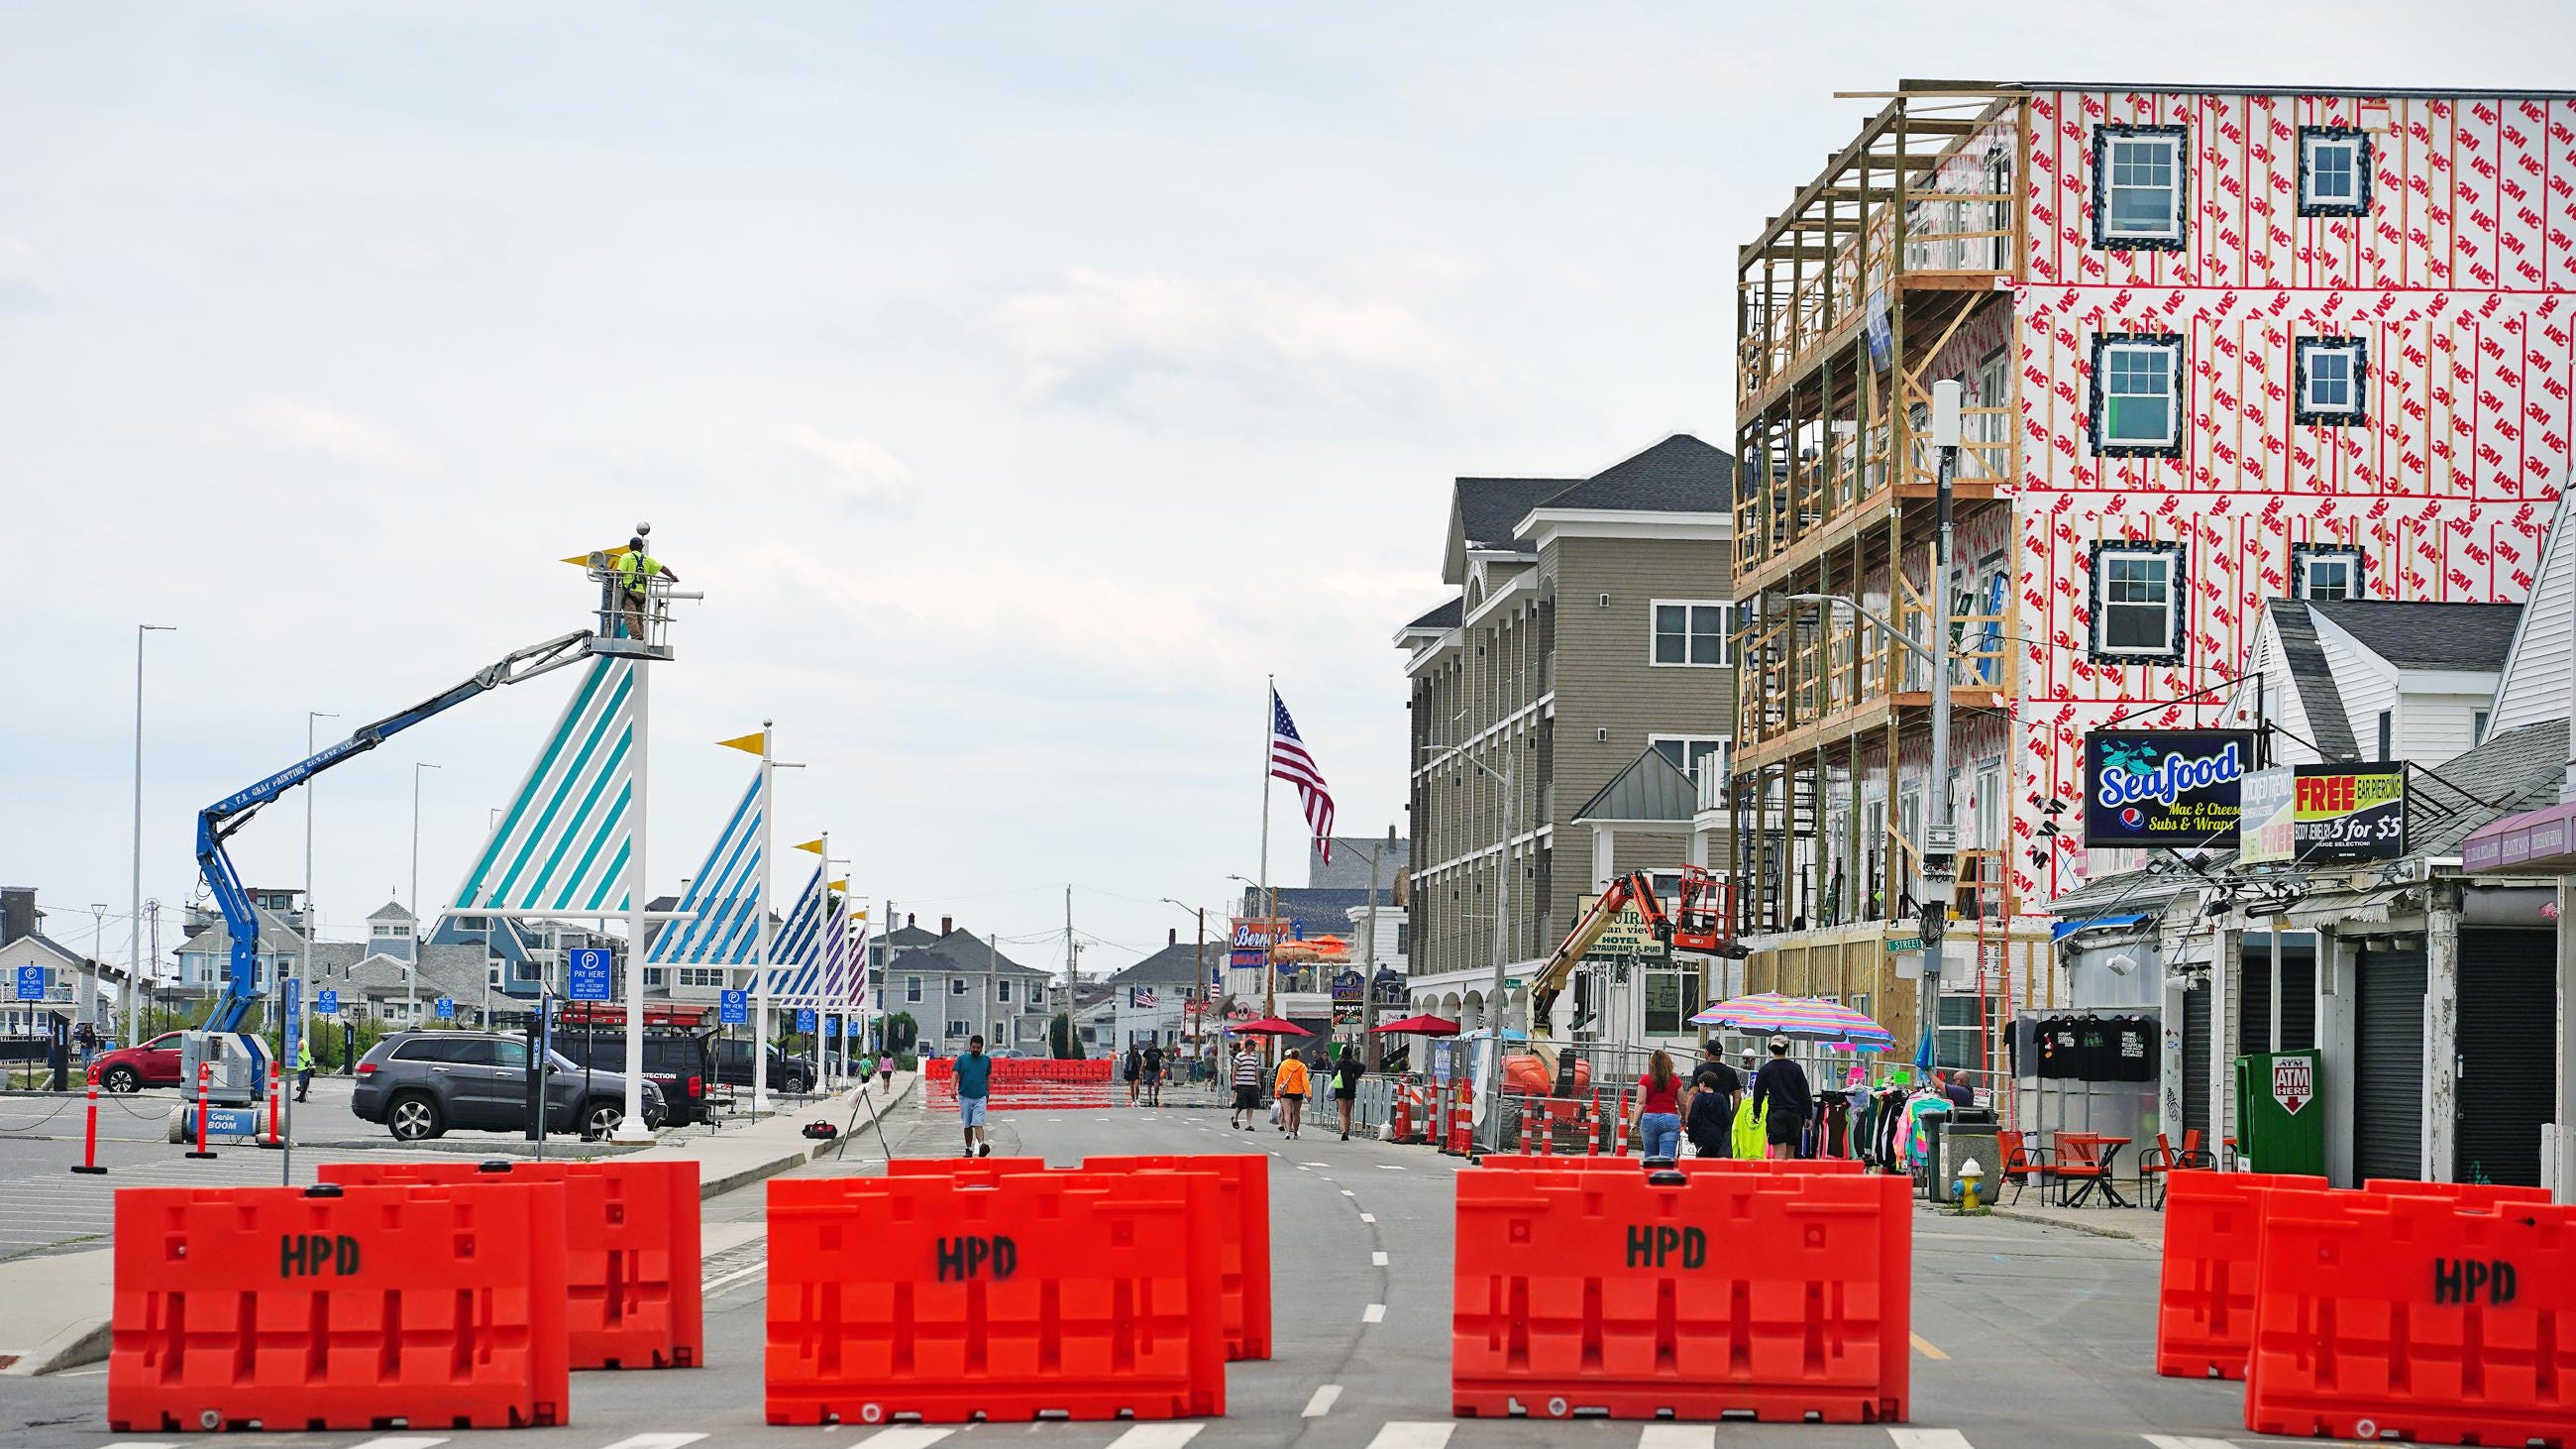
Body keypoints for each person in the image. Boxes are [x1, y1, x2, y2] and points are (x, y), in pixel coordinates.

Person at [1750, 1036, 1813, 1161]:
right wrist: (1809, 1116)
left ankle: (1779, 1180)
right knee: (1790, 1153)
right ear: (1787, 1048)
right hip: (1795, 1115)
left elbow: (1758, 1094)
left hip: (1776, 1114)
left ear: (1771, 1049)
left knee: (1779, 1154)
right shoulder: (1796, 1069)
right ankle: (1790, 1179)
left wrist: (1756, 1112)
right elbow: (1804, 1093)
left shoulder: (1765, 1069)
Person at [1682, 1041, 1742, 1158]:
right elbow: (1737, 1097)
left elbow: (1692, 1093)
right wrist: (1732, 1116)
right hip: (1723, 1117)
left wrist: (1686, 1117)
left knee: (1703, 1155)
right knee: (1723, 1154)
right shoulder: (1730, 1071)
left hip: (1702, 1119)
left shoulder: (1700, 1069)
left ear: (1707, 1053)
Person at [1632, 1049, 1683, 1161]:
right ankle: (1666, 1177)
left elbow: (1640, 1102)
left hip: (1649, 1119)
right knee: (1667, 1159)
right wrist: (1685, 1118)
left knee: (1650, 1158)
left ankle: (1651, 1177)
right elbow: (1682, 1103)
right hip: (1670, 1119)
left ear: (1651, 1063)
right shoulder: (1676, 1080)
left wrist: (1634, 1122)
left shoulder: (1645, 1079)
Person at [953, 1034, 995, 1158]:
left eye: (978, 1048)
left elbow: (987, 1078)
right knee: (967, 1125)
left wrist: (988, 1093)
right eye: (973, 1047)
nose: (975, 1049)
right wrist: (952, 1089)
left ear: (982, 1048)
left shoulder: (986, 1060)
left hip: (980, 1096)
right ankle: (968, 1148)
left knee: (978, 1122)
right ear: (970, 1046)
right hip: (965, 1096)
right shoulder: (962, 1060)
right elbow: (955, 1074)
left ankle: (982, 1145)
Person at [1272, 1048, 1311, 1141]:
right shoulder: (1302, 1066)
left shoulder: (1283, 1064)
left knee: (1287, 1112)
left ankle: (1288, 1132)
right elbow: (1305, 1081)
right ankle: (1296, 1132)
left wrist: (1277, 1093)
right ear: (1298, 1056)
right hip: (1297, 1092)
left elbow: (1279, 1079)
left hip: (1286, 1092)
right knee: (1296, 1113)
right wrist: (1308, 1093)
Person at [1330, 1043, 1364, 1140]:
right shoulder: (1354, 1063)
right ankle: (1347, 1133)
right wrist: (1356, 1075)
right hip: (1350, 1088)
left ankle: (1343, 1131)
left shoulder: (1339, 1063)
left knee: (1342, 1112)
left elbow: (1333, 1074)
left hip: (1340, 1088)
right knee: (1348, 1113)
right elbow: (1363, 1066)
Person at [1229, 1040, 1262, 1130]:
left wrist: (1257, 1082)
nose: (1254, 1047)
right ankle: (1235, 1118)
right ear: (1248, 1046)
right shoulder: (1239, 1056)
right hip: (1242, 1083)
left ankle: (1249, 1124)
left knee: (1251, 1105)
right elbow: (1234, 1069)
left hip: (1251, 1084)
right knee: (1240, 1104)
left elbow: (1256, 1070)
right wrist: (1234, 1081)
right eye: (1253, 1045)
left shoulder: (1254, 1057)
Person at [293, 1036, 316, 1103]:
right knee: (303, 1082)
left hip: (303, 1066)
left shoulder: (301, 1043)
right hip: (304, 1065)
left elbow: (298, 1048)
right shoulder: (305, 1042)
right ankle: (301, 1096)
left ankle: (302, 1097)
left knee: (302, 1081)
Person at [1142, 1042, 1165, 1107]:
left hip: (1156, 1071)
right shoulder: (1147, 1052)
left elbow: (1162, 1060)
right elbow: (1144, 1061)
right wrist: (1141, 1070)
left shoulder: (1159, 1051)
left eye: (1150, 1044)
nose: (1149, 1045)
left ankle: (1155, 1097)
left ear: (1154, 1044)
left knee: (1156, 1085)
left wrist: (1164, 1066)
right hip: (1148, 1070)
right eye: (1148, 1044)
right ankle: (1150, 1100)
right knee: (1149, 1086)